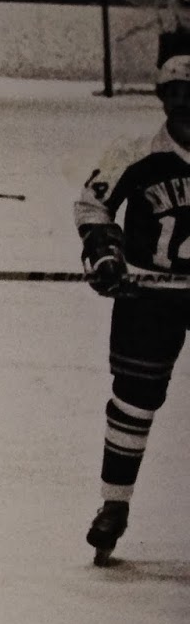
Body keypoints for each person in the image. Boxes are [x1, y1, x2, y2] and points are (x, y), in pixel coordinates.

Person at [73, 55, 190, 565]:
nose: (186, 108)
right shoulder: (135, 153)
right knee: (134, 400)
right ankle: (113, 507)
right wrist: (105, 252)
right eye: (177, 96)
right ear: (163, 100)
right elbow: (93, 205)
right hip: (150, 295)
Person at [157, 0, 190, 67]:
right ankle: (164, 67)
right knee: (166, 37)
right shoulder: (172, 3)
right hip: (179, 34)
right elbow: (168, 23)